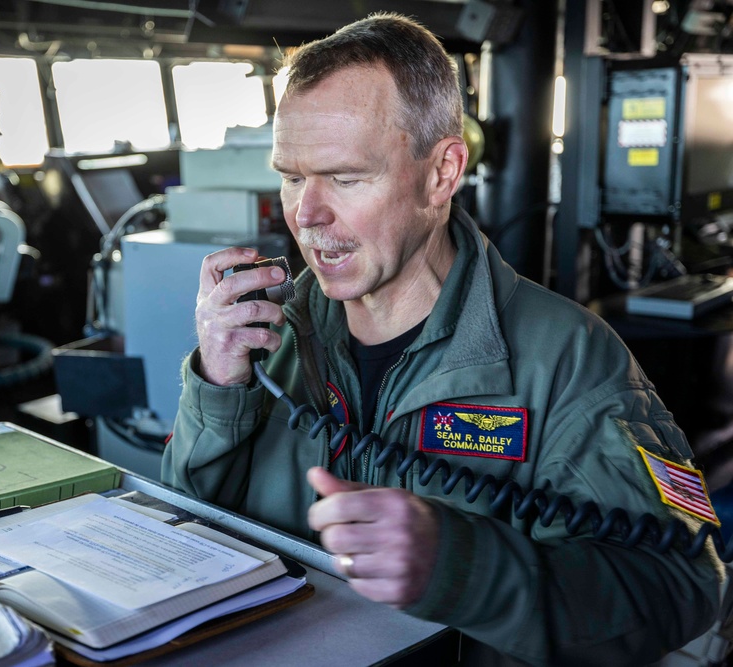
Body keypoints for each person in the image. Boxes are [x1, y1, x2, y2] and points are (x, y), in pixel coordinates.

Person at [161, 12, 724, 665]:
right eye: (292, 175)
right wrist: (217, 386)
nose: (306, 215)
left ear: (442, 173)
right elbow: (181, 543)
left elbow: (683, 586)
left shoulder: (568, 359)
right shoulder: (268, 335)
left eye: (344, 178)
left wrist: (461, 566)